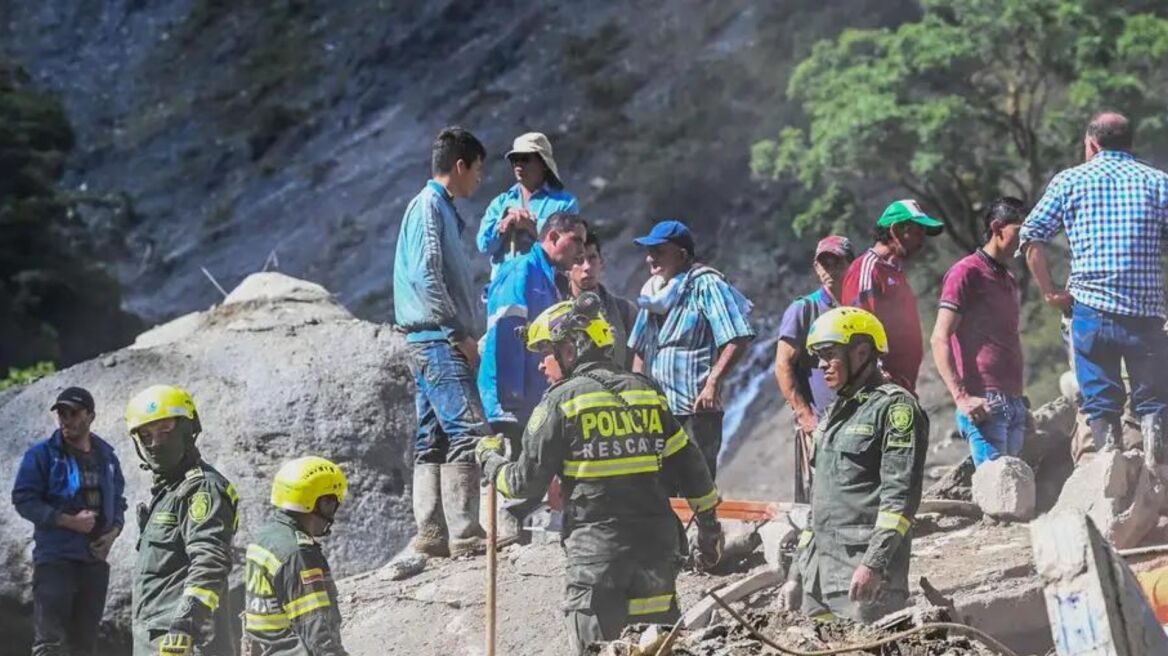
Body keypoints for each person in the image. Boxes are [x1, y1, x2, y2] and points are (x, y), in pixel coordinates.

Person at [474, 294, 725, 654]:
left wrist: (490, 459)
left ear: (572, 349)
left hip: (598, 562)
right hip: (656, 554)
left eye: (546, 352)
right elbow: (692, 466)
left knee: (600, 648)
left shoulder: (560, 402)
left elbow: (522, 482)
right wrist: (710, 529)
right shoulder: (646, 393)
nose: (541, 366)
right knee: (657, 647)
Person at [1020, 111, 1168, 467]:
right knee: (1153, 399)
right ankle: (1157, 466)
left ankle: (1108, 462)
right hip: (1145, 314)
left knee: (1100, 400)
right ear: (1130, 144)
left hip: (1091, 312)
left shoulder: (1070, 180)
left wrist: (1050, 291)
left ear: (1091, 144)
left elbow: (1031, 237)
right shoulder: (1159, 182)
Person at [392, 126, 493, 558]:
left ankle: (431, 532)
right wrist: (460, 334)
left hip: (424, 338)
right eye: (478, 170)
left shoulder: (436, 208)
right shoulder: (430, 206)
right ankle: (467, 532)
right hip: (437, 338)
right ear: (459, 165)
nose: (479, 179)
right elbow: (428, 273)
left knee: (432, 437)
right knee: (470, 433)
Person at [790, 307, 928, 622]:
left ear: (862, 351)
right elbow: (819, 506)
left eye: (829, 354)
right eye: (818, 357)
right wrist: (797, 575)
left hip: (863, 579)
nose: (822, 365)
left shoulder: (895, 409)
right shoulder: (835, 413)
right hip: (818, 579)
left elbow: (900, 501)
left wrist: (873, 565)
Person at [628, 219, 755, 480]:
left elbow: (738, 337)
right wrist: (637, 394)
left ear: (682, 254)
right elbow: (639, 348)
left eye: (659, 251)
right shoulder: (653, 293)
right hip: (658, 412)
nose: (650, 259)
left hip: (695, 411)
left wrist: (713, 382)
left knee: (696, 487)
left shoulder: (706, 285)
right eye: (649, 252)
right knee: (658, 490)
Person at [125, 384, 239, 656]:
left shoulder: (202, 489)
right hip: (155, 641)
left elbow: (210, 561)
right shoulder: (168, 492)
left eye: (165, 430)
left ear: (188, 429)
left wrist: (184, 627)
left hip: (185, 644)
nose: (155, 442)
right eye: (146, 434)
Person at [12, 387, 127, 656]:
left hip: (94, 563)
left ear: (91, 416)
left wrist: (112, 534)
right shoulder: (41, 455)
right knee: (49, 643)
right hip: (55, 561)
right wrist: (67, 521)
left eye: (73, 413)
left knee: (85, 645)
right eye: (62, 413)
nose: (65, 419)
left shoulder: (107, 457)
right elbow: (24, 499)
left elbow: (119, 502)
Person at [479, 211, 587, 455]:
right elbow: (506, 333)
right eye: (576, 241)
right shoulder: (522, 271)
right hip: (511, 407)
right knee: (517, 480)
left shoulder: (549, 279)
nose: (581, 251)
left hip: (533, 401)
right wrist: (511, 399)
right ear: (553, 236)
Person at [931, 198, 1028, 467]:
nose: (1025, 241)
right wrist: (961, 397)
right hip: (985, 403)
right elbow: (939, 338)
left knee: (1016, 490)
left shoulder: (1007, 278)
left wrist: (1020, 400)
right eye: (1020, 232)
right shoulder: (966, 272)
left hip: (1014, 403)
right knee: (998, 492)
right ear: (997, 228)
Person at [774, 235, 855, 502]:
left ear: (851, 264)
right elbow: (783, 365)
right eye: (824, 262)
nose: (830, 268)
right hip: (821, 421)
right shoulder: (803, 310)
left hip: (861, 418)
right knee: (825, 496)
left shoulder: (863, 308)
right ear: (816, 267)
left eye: (837, 261)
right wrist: (805, 415)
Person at [242, 457, 349, 656]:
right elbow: (315, 629)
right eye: (332, 503)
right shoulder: (298, 554)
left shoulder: (265, 538)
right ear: (321, 503)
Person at [841, 200, 944, 395]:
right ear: (896, 230)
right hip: (880, 390)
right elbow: (858, 328)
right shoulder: (868, 268)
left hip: (902, 386)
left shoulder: (894, 271)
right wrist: (879, 380)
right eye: (917, 232)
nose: (922, 241)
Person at [476, 132, 580, 278]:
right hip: (503, 290)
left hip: (544, 290)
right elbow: (484, 246)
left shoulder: (565, 204)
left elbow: (567, 248)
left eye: (525, 159)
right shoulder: (500, 204)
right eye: (514, 159)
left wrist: (531, 226)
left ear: (543, 163)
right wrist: (502, 227)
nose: (518, 164)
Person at [568, 230, 638, 370]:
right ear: (567, 266)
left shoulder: (625, 311)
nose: (587, 267)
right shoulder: (555, 309)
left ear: (602, 262)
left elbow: (637, 362)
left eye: (592, 258)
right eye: (579, 260)